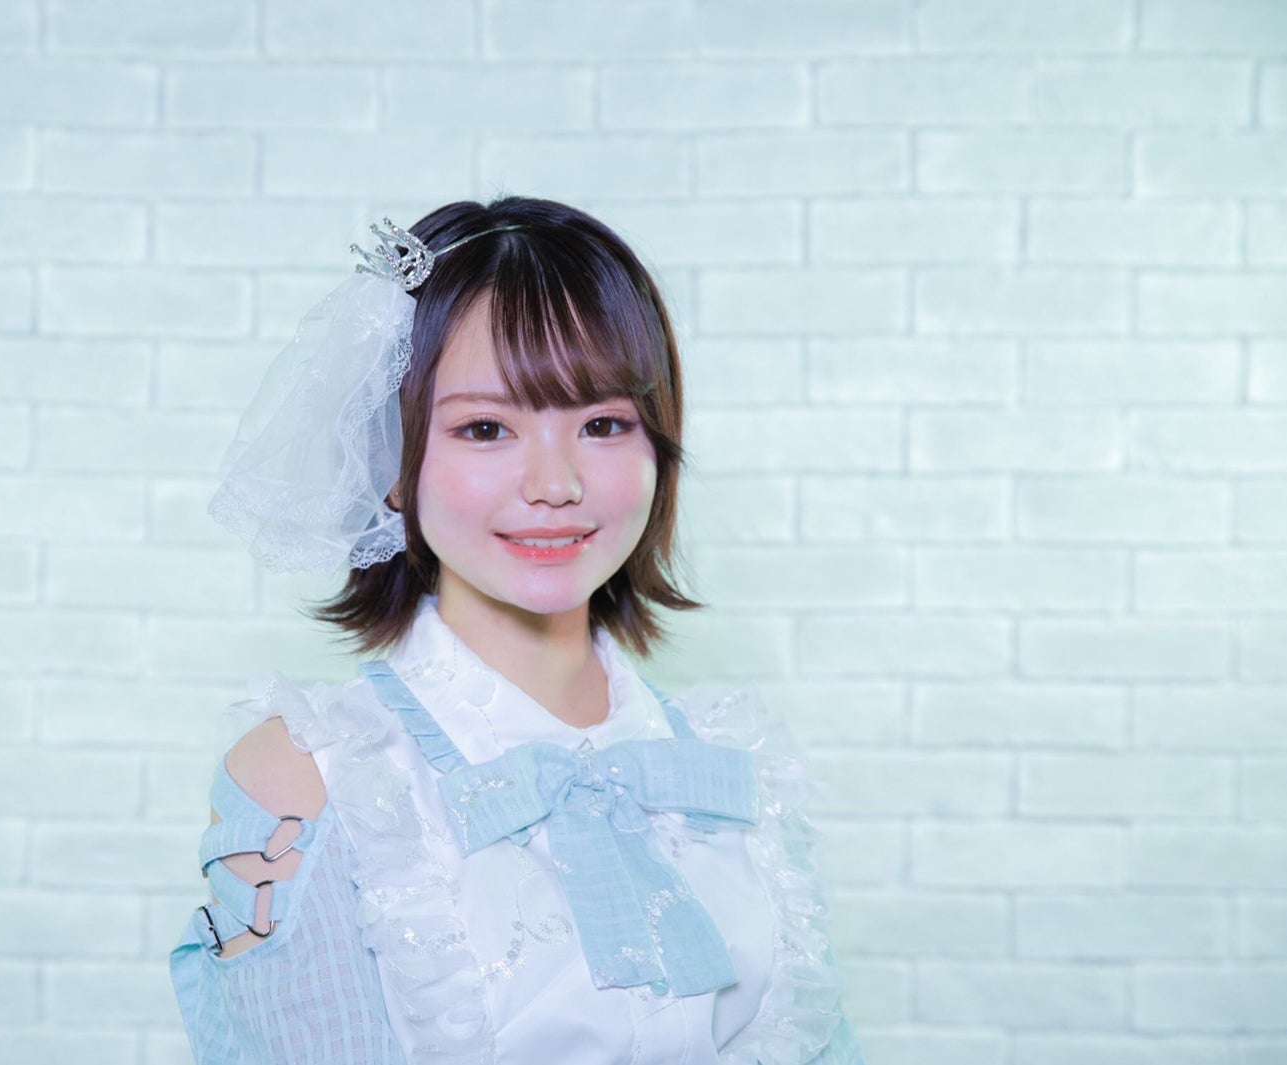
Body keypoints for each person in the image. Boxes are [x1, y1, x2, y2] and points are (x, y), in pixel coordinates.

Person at [170, 196, 864, 1064]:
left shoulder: (727, 760)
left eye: (603, 424)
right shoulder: (317, 774)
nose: (555, 483)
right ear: (393, 461)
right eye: (486, 428)